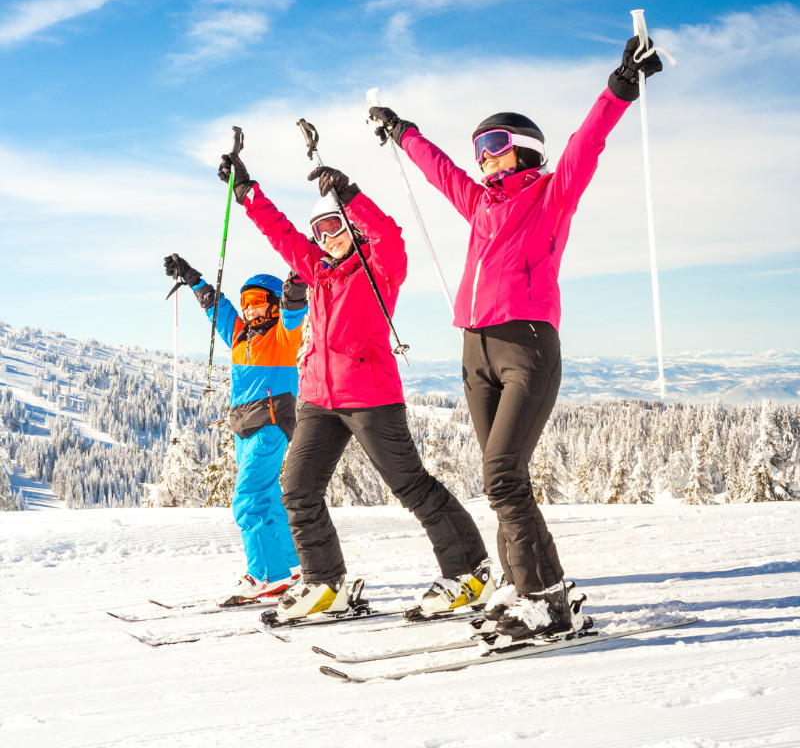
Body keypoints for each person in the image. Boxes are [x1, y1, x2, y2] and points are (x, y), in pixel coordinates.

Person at [367, 36, 663, 640]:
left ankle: (546, 599)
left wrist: (619, 87)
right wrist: (403, 132)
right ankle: (529, 587)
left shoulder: (552, 195)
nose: (484, 159)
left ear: (524, 151)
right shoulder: (479, 205)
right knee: (501, 477)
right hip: (475, 349)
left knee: (502, 474)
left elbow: (587, 145)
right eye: (480, 150)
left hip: (525, 345)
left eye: (496, 146)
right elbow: (439, 170)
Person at [215, 153, 491, 622]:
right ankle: (326, 584)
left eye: (335, 228)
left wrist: (350, 195)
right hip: (319, 400)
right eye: (319, 231)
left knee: (411, 486)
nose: (325, 237)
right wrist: (247, 193)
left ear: (354, 230)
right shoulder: (317, 271)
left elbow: (390, 236)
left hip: (370, 397)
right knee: (297, 490)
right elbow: (280, 233)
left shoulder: (380, 269)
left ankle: (469, 571)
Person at [163, 255, 308, 606]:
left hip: (270, 424)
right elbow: (218, 309)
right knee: (268, 499)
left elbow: (294, 312)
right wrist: (192, 278)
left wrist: (295, 287)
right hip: (243, 428)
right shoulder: (241, 336)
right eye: (248, 304)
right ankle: (293, 566)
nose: (251, 310)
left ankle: (265, 576)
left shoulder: (282, 338)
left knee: (248, 499)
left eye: (258, 303)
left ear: (274, 305)